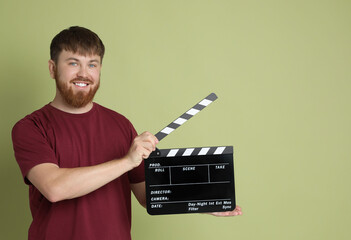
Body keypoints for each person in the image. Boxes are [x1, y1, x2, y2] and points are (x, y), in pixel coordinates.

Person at [12, 26, 242, 240]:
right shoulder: (31, 127)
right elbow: (55, 188)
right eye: (73, 63)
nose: (84, 73)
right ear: (52, 68)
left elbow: (147, 196)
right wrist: (126, 161)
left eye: (92, 64)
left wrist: (203, 201)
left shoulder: (120, 124)